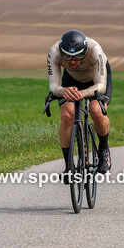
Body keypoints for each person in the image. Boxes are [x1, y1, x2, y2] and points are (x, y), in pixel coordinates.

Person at [47, 30, 112, 181]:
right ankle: (69, 167)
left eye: (78, 57)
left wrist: (84, 93)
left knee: (96, 111)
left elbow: (101, 86)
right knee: (67, 115)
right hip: (71, 80)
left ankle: (104, 149)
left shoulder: (95, 50)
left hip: (96, 80)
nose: (73, 62)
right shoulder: (54, 52)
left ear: (85, 52)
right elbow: (53, 86)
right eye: (67, 58)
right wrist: (63, 91)